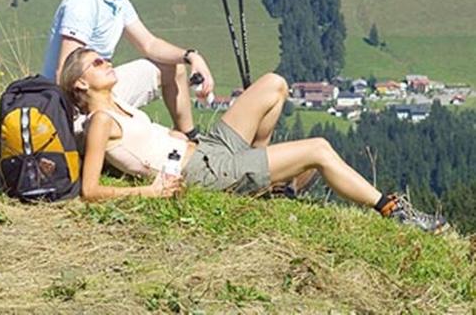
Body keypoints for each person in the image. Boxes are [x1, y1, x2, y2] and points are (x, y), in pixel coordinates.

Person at [60, 47, 447, 233]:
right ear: (80, 83)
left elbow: (145, 142)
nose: (107, 63)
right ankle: (393, 211)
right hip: (206, 172)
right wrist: (150, 192)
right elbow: (90, 191)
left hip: (209, 149)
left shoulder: (119, 104)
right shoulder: (100, 121)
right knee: (318, 149)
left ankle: (263, 180)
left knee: (274, 84)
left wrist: (172, 134)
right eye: (97, 63)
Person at [43, 0, 214, 139]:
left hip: (101, 86)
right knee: (153, 137)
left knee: (174, 67)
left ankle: (190, 137)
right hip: (78, 102)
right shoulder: (84, 1)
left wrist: (191, 56)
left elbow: (149, 44)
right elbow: (64, 71)